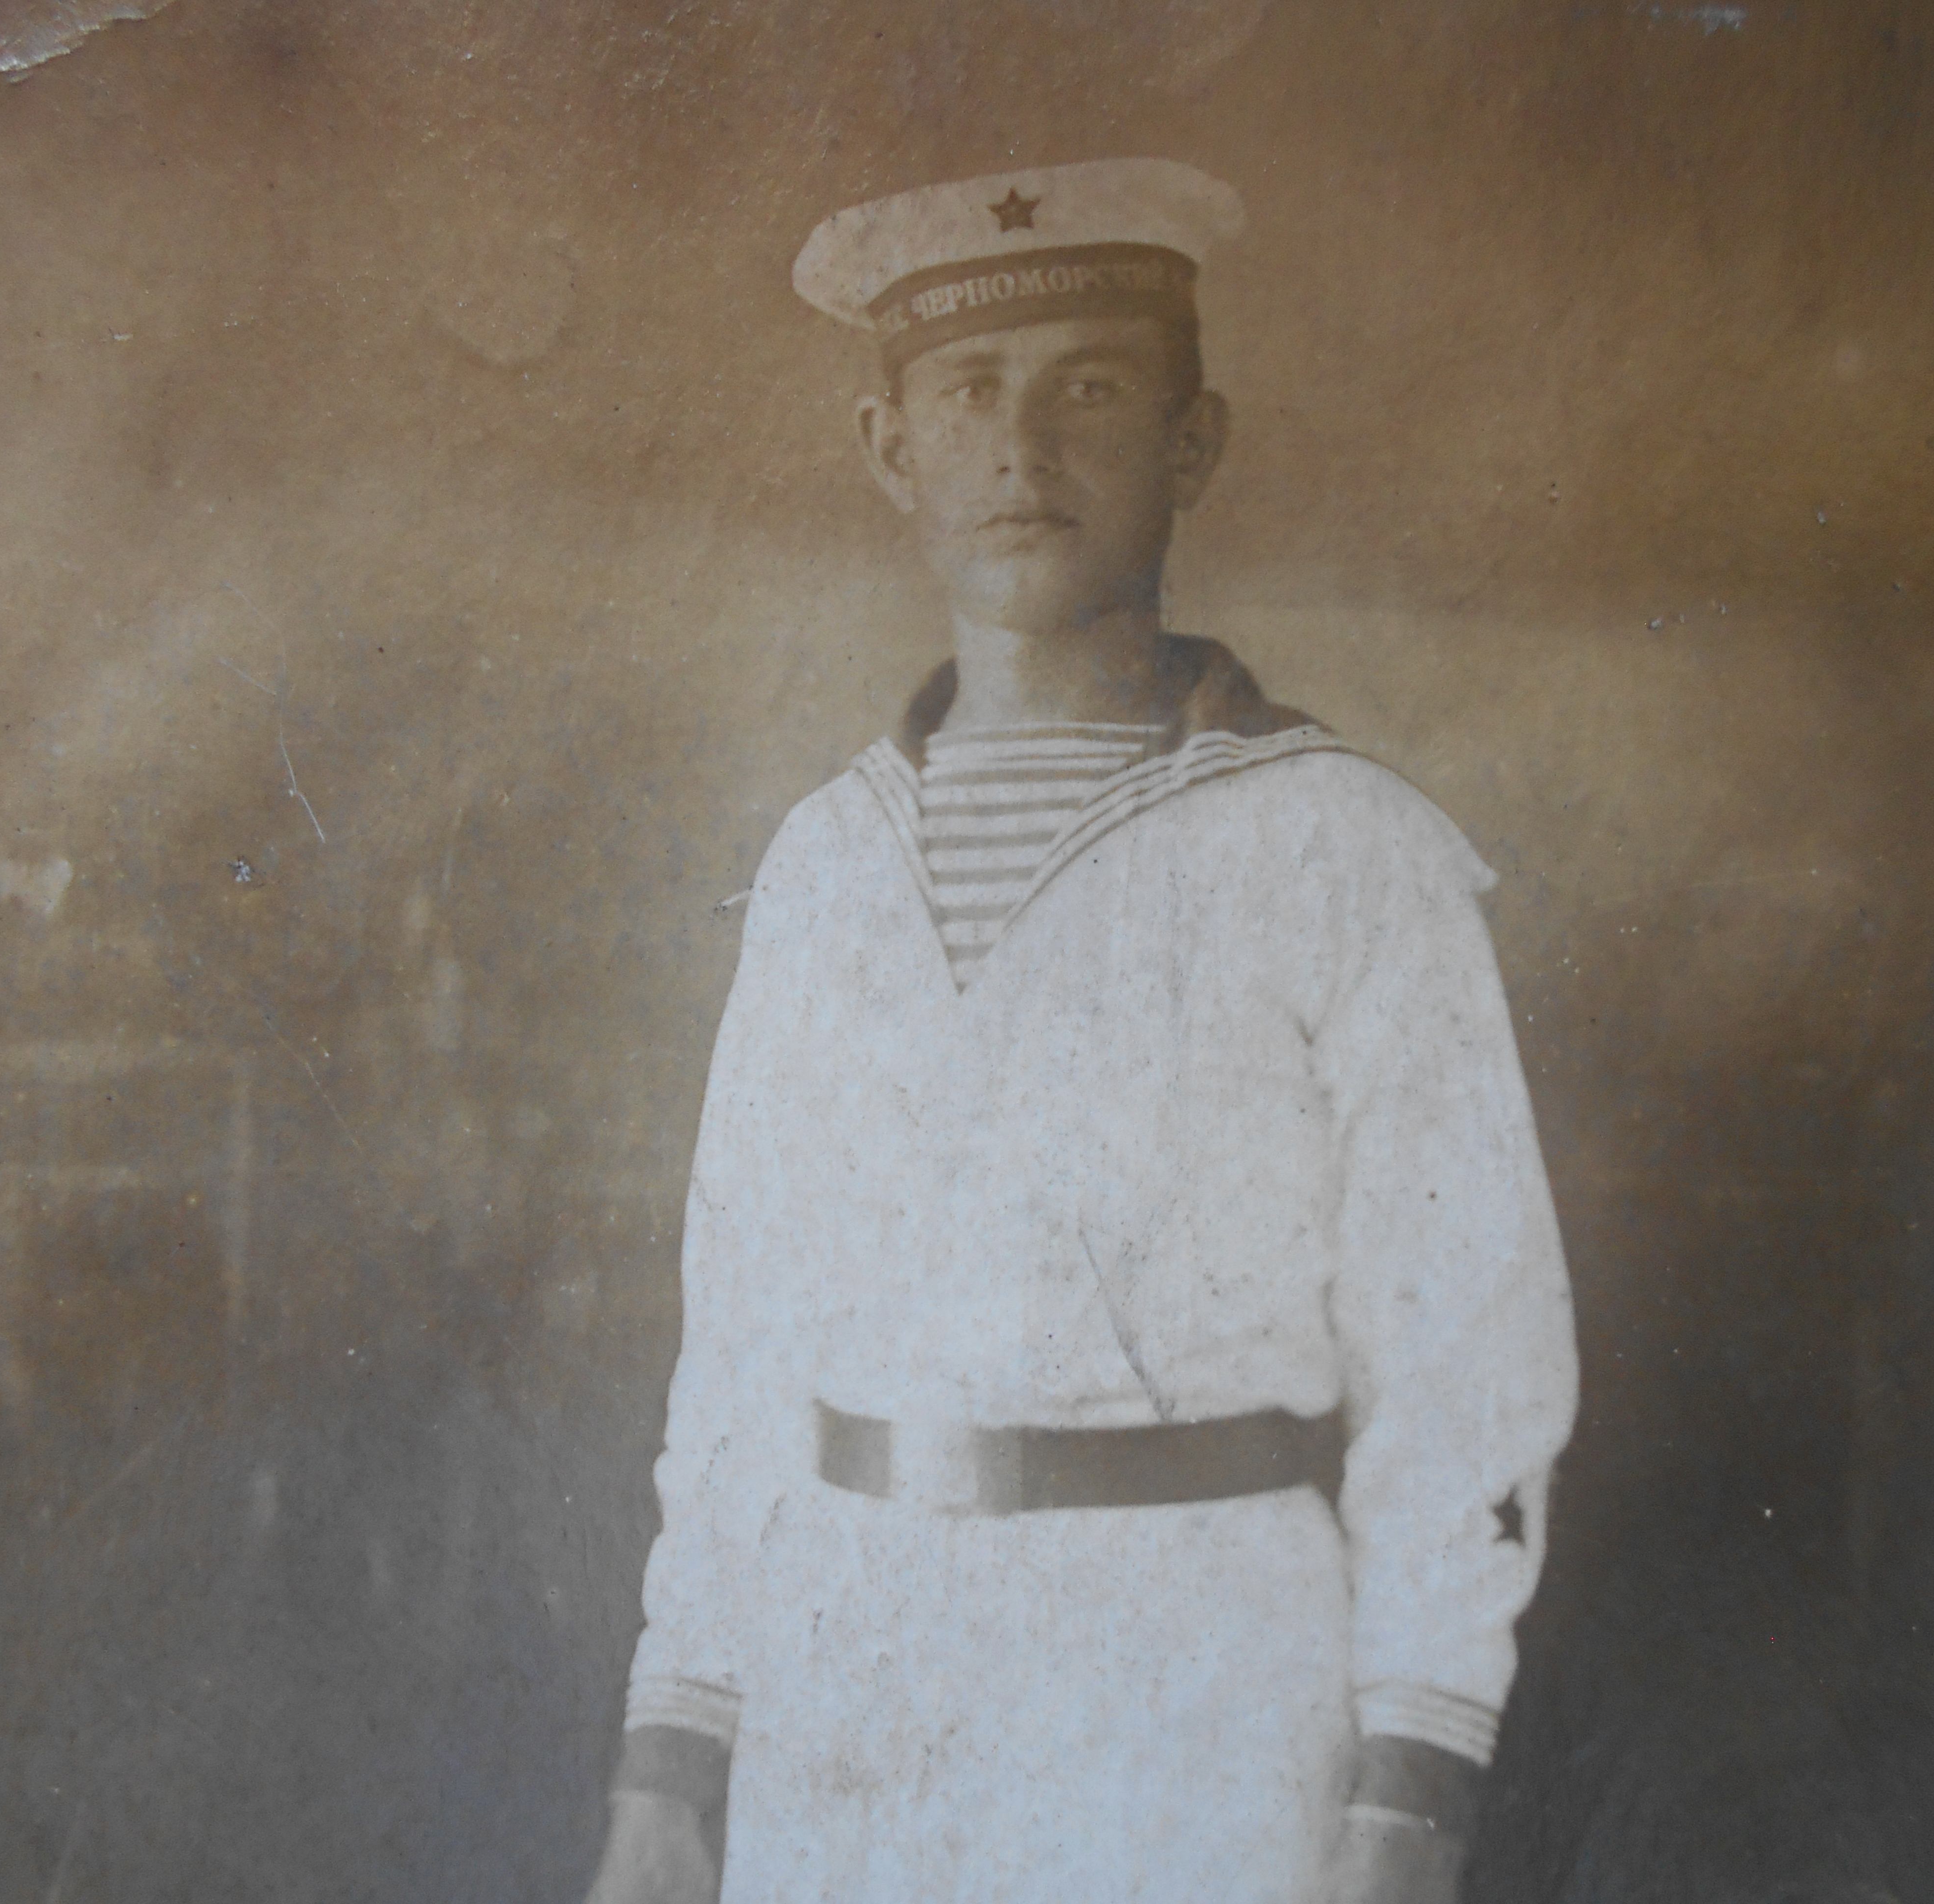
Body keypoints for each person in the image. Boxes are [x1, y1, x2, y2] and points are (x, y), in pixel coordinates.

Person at [583, 158, 1578, 1904]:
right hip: (853, 1682)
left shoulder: (1345, 847)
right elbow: (742, 1350)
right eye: (968, 392)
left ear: (1194, 443)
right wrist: (673, 1759)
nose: (1021, 451)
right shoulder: (828, 863)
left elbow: (1465, 1361)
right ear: (890, 449)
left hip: (1197, 1685)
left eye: (1091, 391)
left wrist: (1410, 1798)